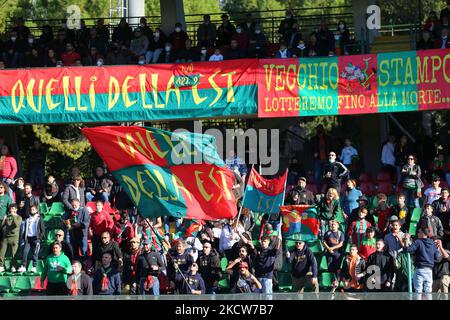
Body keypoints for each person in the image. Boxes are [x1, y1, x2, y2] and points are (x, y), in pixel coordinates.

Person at [399, 227, 442, 295]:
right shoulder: (432, 243)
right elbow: (437, 258)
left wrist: (406, 240)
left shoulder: (418, 241)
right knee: (428, 291)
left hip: (420, 269)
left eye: (419, 232)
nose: (417, 233)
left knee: (418, 290)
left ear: (422, 233)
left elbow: (408, 250)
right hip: (429, 270)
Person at [18, 204, 44, 273]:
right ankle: (23, 266)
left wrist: (39, 238)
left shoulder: (39, 218)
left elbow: (42, 230)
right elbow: (25, 229)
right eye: (31, 210)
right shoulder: (27, 219)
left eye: (33, 210)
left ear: (36, 210)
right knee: (25, 252)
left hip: (36, 238)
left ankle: (34, 266)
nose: (32, 211)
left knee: (35, 253)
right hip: (28, 238)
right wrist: (24, 238)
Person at [62, 198, 90, 262]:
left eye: (75, 205)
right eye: (73, 205)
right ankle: (76, 264)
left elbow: (87, 222)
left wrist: (80, 224)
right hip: (74, 234)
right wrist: (67, 222)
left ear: (78, 204)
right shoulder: (71, 211)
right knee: (75, 251)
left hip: (82, 234)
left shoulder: (84, 210)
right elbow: (65, 220)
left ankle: (84, 264)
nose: (74, 207)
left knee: (83, 250)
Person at [89, 200, 114, 265]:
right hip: (95, 235)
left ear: (102, 206)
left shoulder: (105, 213)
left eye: (99, 205)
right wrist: (90, 231)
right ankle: (94, 265)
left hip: (103, 236)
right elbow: (90, 224)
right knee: (95, 250)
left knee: (103, 250)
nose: (97, 207)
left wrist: (108, 229)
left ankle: (104, 263)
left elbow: (111, 222)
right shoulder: (93, 214)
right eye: (96, 205)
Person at [0, 204, 22, 272]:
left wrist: (13, 216)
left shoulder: (19, 217)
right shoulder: (7, 217)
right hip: (6, 237)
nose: (11, 210)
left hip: (14, 238)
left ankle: (13, 266)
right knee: (1, 252)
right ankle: (1, 266)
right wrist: (3, 220)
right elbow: (1, 226)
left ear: (16, 209)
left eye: (13, 208)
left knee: (14, 254)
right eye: (10, 208)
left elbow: (17, 224)